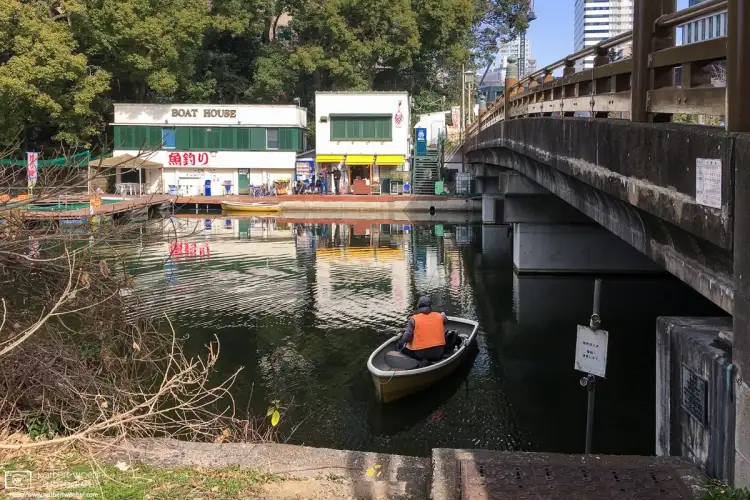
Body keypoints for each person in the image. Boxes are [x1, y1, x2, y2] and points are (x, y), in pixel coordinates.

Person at [399, 296, 456, 361]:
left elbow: (406, 339)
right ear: (430, 306)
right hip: (438, 354)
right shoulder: (440, 316)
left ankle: (418, 362)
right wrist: (442, 314)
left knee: (400, 344)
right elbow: (445, 320)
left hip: (420, 355)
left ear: (418, 306)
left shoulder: (414, 319)